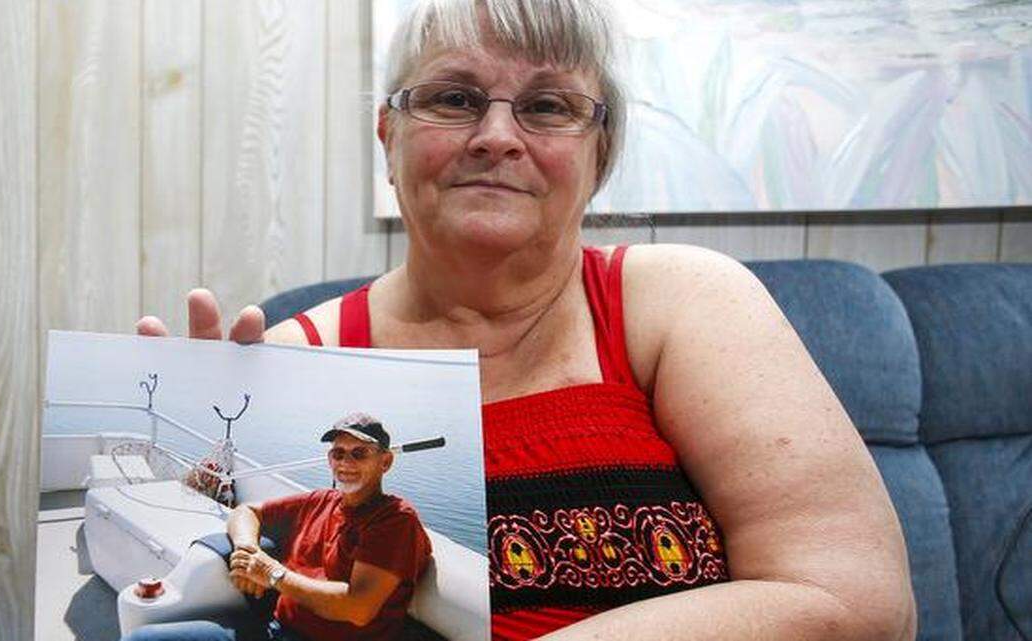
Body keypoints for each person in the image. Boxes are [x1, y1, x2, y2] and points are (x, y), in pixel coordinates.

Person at [137, 1, 917, 639]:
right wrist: (190, 457)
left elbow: (857, 605)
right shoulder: (292, 359)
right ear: (389, 135)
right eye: (454, 98)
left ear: (600, 150)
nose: (498, 136)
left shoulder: (682, 301)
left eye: (547, 107)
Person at [122, 413, 432, 641]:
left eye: (359, 453)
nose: (346, 463)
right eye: (339, 453)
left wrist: (272, 574)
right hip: (274, 630)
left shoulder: (394, 520)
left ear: (385, 462)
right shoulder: (320, 501)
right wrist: (248, 552)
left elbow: (357, 607)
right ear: (330, 460)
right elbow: (246, 511)